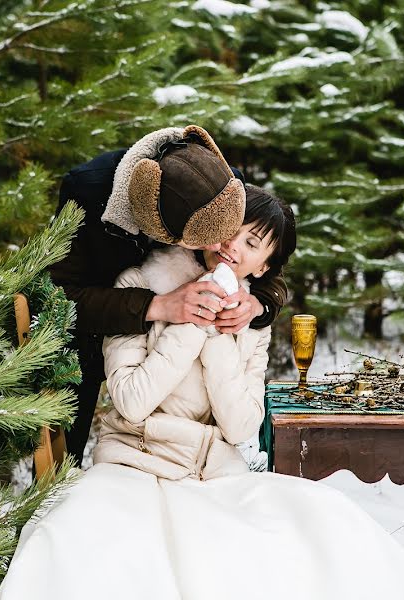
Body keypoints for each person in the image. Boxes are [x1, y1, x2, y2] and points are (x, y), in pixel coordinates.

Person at [0, 186, 404, 600]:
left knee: (324, 523)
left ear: (262, 267)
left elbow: (243, 424)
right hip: (134, 463)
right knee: (108, 558)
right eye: (231, 230)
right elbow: (132, 401)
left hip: (214, 473)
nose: (233, 247)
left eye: (252, 244)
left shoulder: (251, 320)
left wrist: (217, 337)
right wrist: (188, 323)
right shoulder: (141, 284)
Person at [49, 125, 288, 459]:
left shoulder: (222, 182)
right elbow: (58, 301)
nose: (220, 248)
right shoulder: (87, 192)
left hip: (195, 439)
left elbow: (265, 264)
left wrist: (260, 303)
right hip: (87, 343)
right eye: (203, 237)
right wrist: (157, 306)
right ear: (159, 229)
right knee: (65, 467)